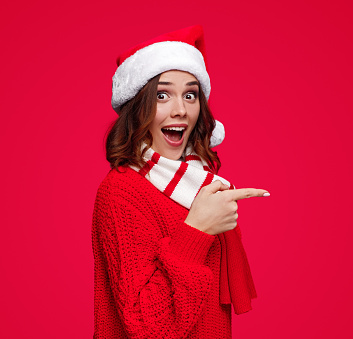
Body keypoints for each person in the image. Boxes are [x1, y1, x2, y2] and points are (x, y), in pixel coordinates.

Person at [92, 25, 269, 338]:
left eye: (190, 95)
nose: (180, 110)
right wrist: (197, 230)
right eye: (162, 95)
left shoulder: (198, 183)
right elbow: (147, 329)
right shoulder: (122, 192)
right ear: (137, 106)